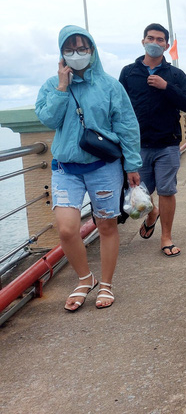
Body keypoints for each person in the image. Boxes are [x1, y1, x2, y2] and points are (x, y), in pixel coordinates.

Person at [36, 25, 142, 311]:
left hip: (103, 166)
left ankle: (106, 283)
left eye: (83, 48)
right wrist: (61, 87)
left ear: (93, 50)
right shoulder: (51, 85)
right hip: (65, 168)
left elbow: (127, 125)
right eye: (70, 49)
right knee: (67, 230)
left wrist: (132, 164)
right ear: (61, 54)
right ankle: (85, 278)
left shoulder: (109, 85)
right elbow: (48, 119)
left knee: (106, 225)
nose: (77, 53)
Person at [119, 23, 186, 257]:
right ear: (143, 41)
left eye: (160, 39)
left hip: (167, 143)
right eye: (151, 38)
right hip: (137, 145)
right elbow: (118, 107)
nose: (155, 42)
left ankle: (166, 237)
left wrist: (167, 87)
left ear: (166, 44)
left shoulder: (175, 75)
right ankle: (151, 213)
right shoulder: (128, 72)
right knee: (140, 192)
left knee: (166, 190)